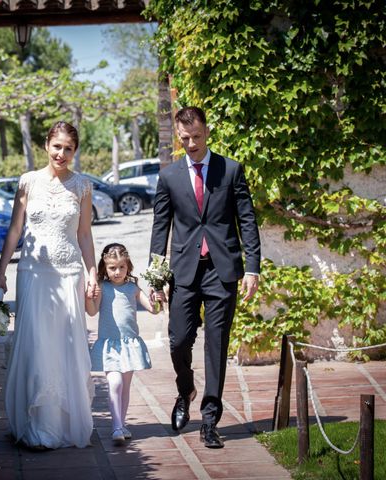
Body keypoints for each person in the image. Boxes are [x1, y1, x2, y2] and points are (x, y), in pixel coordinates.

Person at [149, 106, 261, 449]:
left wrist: (252, 267)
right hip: (184, 271)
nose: (192, 143)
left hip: (222, 270)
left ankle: (210, 419)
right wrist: (156, 279)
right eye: (185, 139)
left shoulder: (231, 169)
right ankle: (186, 391)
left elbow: (247, 220)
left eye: (197, 136)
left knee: (216, 345)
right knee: (178, 339)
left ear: (207, 131)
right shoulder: (169, 177)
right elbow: (160, 228)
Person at [0, 121, 98, 450]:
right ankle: (37, 427)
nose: (61, 153)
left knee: (65, 349)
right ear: (46, 145)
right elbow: (14, 230)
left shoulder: (82, 186)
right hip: (34, 274)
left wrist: (92, 273)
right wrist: (0, 271)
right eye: (57, 146)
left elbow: (84, 235)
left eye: (68, 148)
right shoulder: (28, 182)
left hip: (69, 275)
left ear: (75, 151)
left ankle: (62, 424)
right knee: (37, 348)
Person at [86, 243, 165, 445]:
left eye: (122, 267)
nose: (118, 271)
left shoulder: (133, 289)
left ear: (128, 266)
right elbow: (93, 311)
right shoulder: (103, 287)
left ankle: (122, 424)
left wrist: (157, 298)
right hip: (110, 346)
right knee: (115, 383)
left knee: (126, 387)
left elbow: (154, 310)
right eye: (112, 267)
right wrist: (88, 296)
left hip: (129, 345)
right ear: (105, 268)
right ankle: (116, 427)